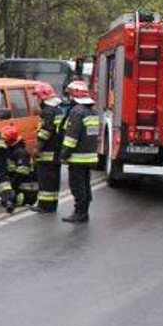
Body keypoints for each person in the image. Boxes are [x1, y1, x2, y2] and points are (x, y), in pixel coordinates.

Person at [59, 80, 101, 223]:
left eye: (70, 93)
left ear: (74, 94)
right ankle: (84, 212)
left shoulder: (77, 112)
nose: (69, 96)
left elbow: (71, 137)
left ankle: (80, 213)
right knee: (85, 184)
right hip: (89, 156)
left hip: (77, 158)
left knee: (77, 186)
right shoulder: (93, 111)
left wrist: (64, 154)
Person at [30, 82, 66, 214]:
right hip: (56, 152)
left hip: (48, 153)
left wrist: (37, 148)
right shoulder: (57, 109)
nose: (36, 100)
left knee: (45, 181)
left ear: (42, 97)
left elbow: (46, 131)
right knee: (53, 181)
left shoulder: (48, 111)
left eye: (37, 97)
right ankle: (51, 205)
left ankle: (45, 206)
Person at [2, 124, 36, 206]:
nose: (3, 142)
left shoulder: (21, 152)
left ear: (11, 141)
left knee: (9, 202)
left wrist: (11, 185)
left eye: (5, 140)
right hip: (16, 184)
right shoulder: (12, 150)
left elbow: (22, 172)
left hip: (24, 190)